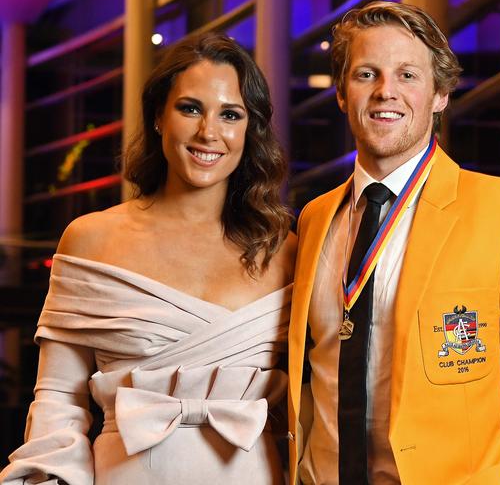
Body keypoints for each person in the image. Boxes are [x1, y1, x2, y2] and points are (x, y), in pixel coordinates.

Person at [287, 1, 500, 484]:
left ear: (440, 93)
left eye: (408, 75)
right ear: (342, 93)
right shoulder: (315, 219)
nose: (386, 92)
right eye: (366, 74)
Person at [1, 33, 295, 485]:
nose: (208, 132)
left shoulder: (286, 250)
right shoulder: (91, 239)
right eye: (190, 108)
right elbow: (59, 399)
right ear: (159, 116)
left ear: (248, 130)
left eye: (230, 114)